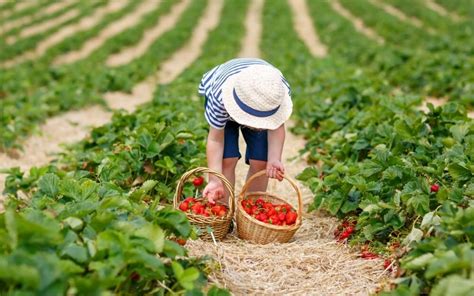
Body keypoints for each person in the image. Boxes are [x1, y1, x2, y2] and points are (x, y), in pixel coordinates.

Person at [198, 58, 292, 204]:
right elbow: (215, 140)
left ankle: (250, 210)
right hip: (225, 98)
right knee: (226, 160)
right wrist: (215, 179)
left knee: (261, 161)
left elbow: (277, 126)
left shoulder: (276, 92)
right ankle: (223, 212)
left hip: (262, 101)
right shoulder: (219, 98)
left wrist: (274, 158)